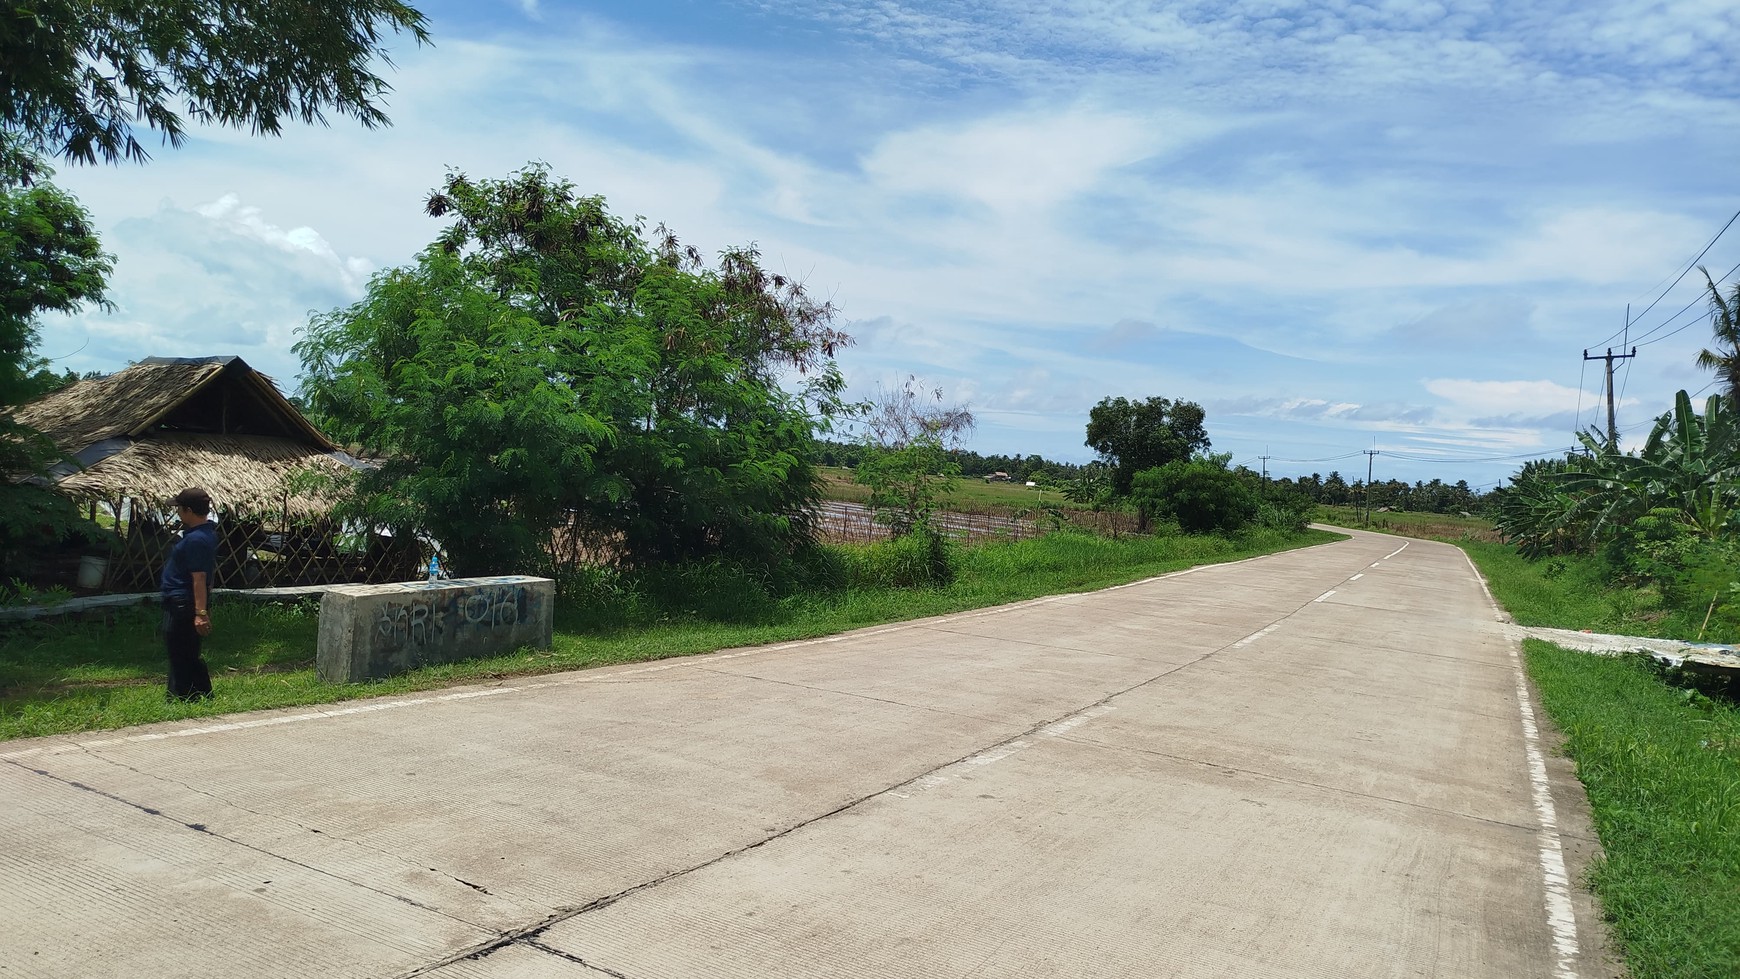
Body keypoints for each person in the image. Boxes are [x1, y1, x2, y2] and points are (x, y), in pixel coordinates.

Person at [160, 487, 217, 700]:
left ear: (189, 510)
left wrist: (201, 612)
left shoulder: (196, 540)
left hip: (183, 600)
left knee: (180, 650)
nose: (178, 513)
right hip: (182, 599)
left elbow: (199, 577)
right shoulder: (202, 535)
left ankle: (183, 696)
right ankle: (200, 692)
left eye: (180, 508)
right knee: (185, 649)